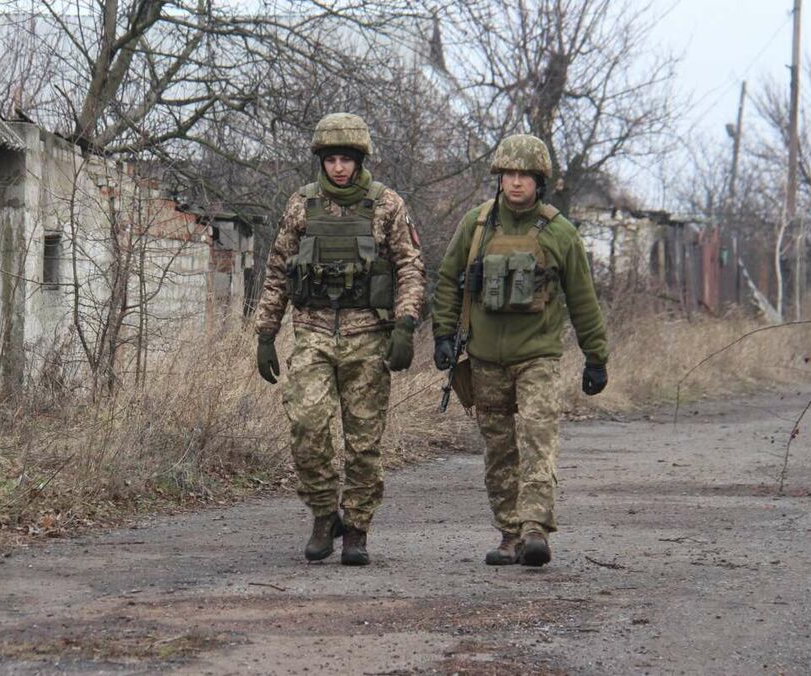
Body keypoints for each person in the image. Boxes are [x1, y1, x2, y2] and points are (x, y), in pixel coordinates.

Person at [255, 112, 426, 566]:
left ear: (359, 160)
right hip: (312, 332)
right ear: (321, 161)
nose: (339, 168)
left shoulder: (387, 205)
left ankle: (356, 528)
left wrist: (406, 325)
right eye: (331, 159)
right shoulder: (301, 205)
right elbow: (277, 270)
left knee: (364, 441)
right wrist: (266, 333)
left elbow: (410, 266)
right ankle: (322, 513)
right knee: (307, 427)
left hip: (368, 336)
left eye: (346, 159)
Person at [431, 134, 608, 567]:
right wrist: (442, 335)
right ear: (498, 178)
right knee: (499, 450)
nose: (515, 183)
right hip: (486, 359)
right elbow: (448, 281)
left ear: (538, 181)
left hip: (538, 359)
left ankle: (534, 530)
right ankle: (508, 533)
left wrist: (596, 356)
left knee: (537, 440)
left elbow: (583, 299)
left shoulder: (560, 233)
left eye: (524, 176)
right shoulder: (476, 226)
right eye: (508, 174)